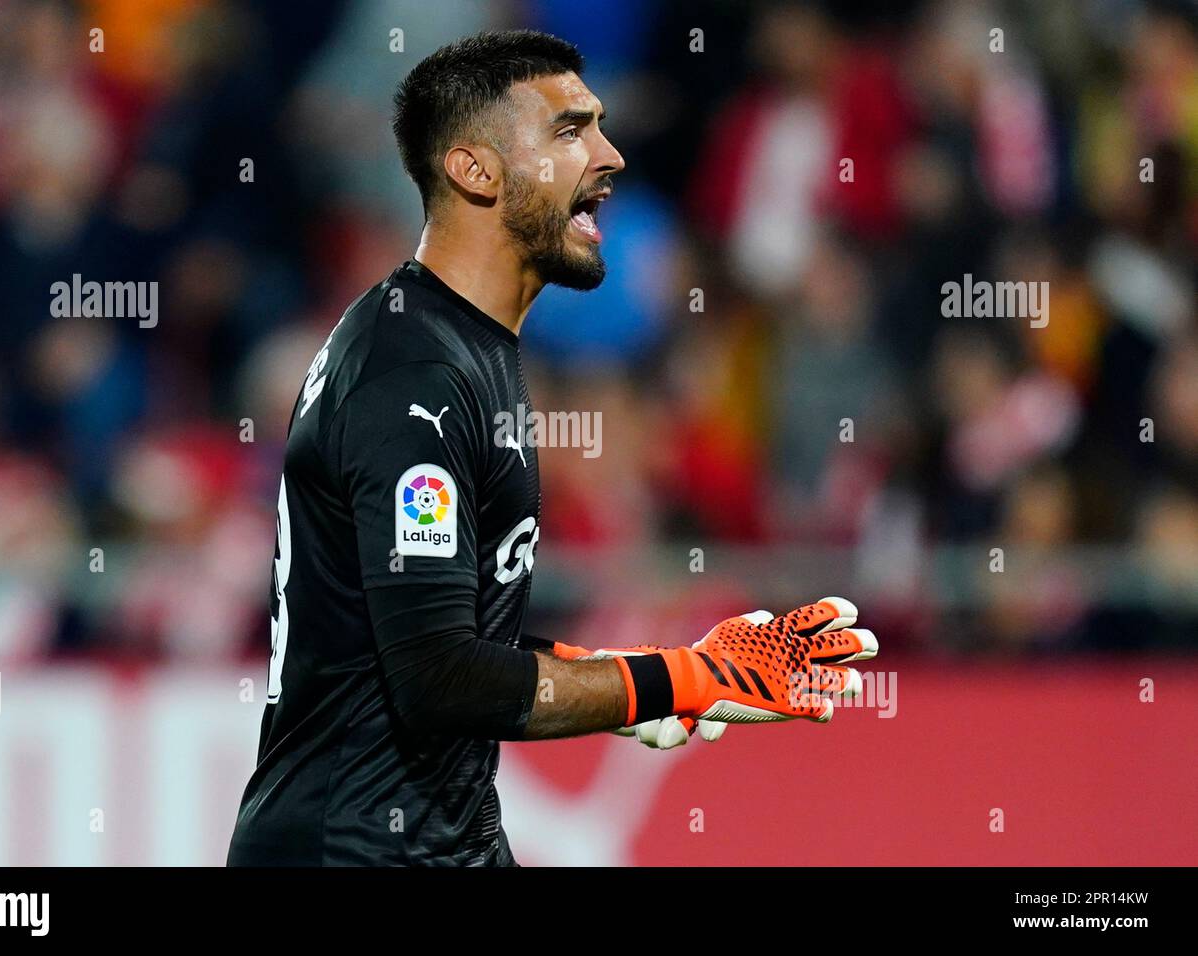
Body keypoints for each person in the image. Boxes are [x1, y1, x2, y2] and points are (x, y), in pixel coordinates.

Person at [227, 29, 877, 867]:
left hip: (439, 844)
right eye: (570, 132)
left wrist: (675, 672)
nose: (609, 157)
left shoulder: (462, 349)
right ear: (476, 171)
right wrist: (687, 682)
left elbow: (461, 646)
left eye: (600, 126)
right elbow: (440, 676)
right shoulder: (414, 379)